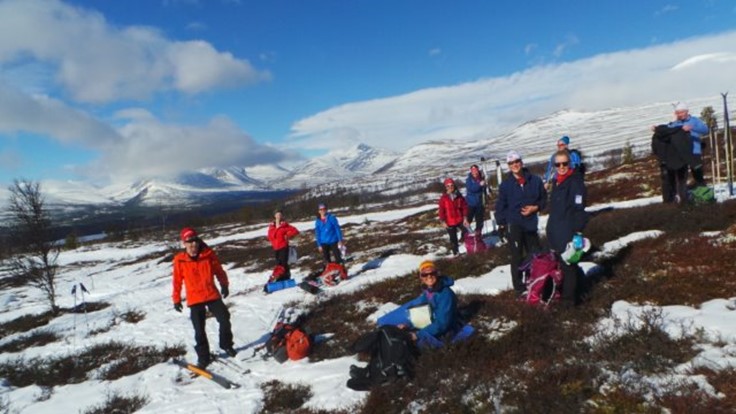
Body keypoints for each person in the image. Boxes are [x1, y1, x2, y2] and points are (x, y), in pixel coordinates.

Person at [172, 227, 235, 368]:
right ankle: (203, 357)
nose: (193, 244)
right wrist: (176, 299)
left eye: (195, 241)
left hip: (211, 293)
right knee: (199, 330)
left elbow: (219, 271)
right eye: (190, 242)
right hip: (195, 298)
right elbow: (177, 281)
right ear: (184, 243)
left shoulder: (208, 254)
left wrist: (224, 284)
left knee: (224, 319)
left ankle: (226, 344)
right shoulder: (179, 260)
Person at [495, 150, 547, 297]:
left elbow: (544, 200)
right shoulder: (505, 185)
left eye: (517, 161)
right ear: (508, 166)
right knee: (517, 257)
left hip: (530, 224)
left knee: (535, 254)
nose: (515, 165)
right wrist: (501, 224)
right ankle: (519, 288)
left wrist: (535, 208)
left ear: (521, 162)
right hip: (514, 225)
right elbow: (500, 206)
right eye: (511, 163)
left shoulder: (535, 181)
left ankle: (535, 281)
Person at [545, 151, 589, 307]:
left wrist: (577, 231)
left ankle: (568, 302)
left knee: (568, 266)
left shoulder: (575, 182)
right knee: (563, 265)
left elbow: (579, 209)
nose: (561, 167)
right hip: (556, 231)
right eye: (558, 164)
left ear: (570, 164)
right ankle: (582, 290)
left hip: (568, 231)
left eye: (564, 163)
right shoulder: (557, 182)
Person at [400, 260, 462, 348]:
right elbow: (421, 310)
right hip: (433, 323)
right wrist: (408, 324)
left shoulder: (445, 294)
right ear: (421, 277)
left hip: (447, 329)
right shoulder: (428, 290)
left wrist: (417, 335)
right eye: (425, 274)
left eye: (432, 273)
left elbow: (443, 324)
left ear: (437, 274)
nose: (429, 276)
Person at [664, 102, 709, 186]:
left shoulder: (694, 120)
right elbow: (667, 131)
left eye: (682, 112)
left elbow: (705, 130)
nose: (680, 115)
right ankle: (683, 191)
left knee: (697, 172)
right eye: (678, 113)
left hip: (694, 150)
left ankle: (702, 188)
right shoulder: (675, 123)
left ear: (687, 111)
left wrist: (692, 128)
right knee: (682, 174)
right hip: (680, 153)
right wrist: (673, 121)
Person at [438, 178, 469, 256]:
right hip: (449, 222)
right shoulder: (443, 198)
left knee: (467, 233)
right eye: (448, 186)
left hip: (459, 219)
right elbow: (441, 211)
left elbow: (464, 207)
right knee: (453, 239)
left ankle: (470, 248)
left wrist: (465, 217)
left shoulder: (459, 196)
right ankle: (456, 253)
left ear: (454, 186)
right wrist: (443, 221)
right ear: (445, 187)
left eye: (451, 185)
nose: (450, 187)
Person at [267, 209, 300, 281]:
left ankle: (286, 277)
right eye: (277, 214)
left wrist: (288, 235)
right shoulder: (271, 226)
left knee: (283, 263)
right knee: (278, 263)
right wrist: (276, 231)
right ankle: (281, 276)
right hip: (276, 247)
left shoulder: (285, 225)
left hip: (283, 246)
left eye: (280, 215)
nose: (278, 216)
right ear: (274, 216)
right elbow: (269, 236)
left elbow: (295, 231)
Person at [464, 164, 487, 235]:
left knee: (479, 221)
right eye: (473, 170)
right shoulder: (468, 180)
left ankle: (478, 235)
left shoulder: (481, 178)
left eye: (476, 170)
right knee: (468, 220)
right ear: (471, 171)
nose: (474, 172)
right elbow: (472, 189)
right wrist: (479, 184)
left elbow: (484, 190)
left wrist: (485, 186)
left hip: (480, 204)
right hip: (470, 204)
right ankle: (465, 235)